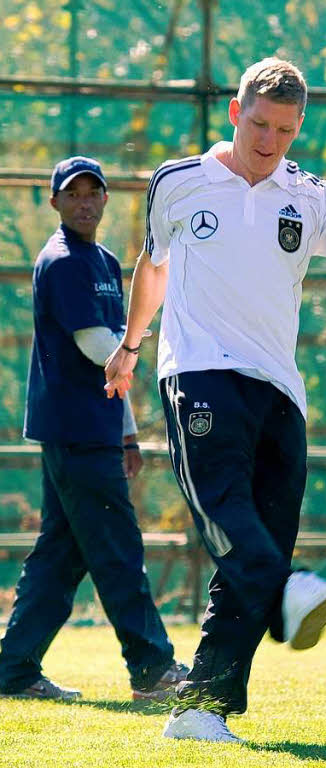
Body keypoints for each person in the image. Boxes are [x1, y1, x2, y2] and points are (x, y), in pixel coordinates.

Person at [103, 58, 326, 743]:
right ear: (236, 114)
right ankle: (290, 589)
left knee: (252, 549)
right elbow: (152, 266)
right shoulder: (178, 182)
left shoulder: (312, 196)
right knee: (228, 517)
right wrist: (130, 347)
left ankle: (200, 711)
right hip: (199, 374)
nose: (270, 141)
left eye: (286, 130)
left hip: (279, 395)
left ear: (299, 129)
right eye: (260, 124)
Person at [0, 156, 187, 703]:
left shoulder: (102, 260)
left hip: (95, 429)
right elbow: (96, 344)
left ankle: (12, 669)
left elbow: (113, 360)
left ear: (106, 200)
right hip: (75, 430)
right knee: (118, 550)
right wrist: (138, 359)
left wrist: (126, 432)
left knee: (62, 555)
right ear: (54, 201)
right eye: (72, 194)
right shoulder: (61, 261)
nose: (84, 202)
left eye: (93, 193)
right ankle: (152, 670)